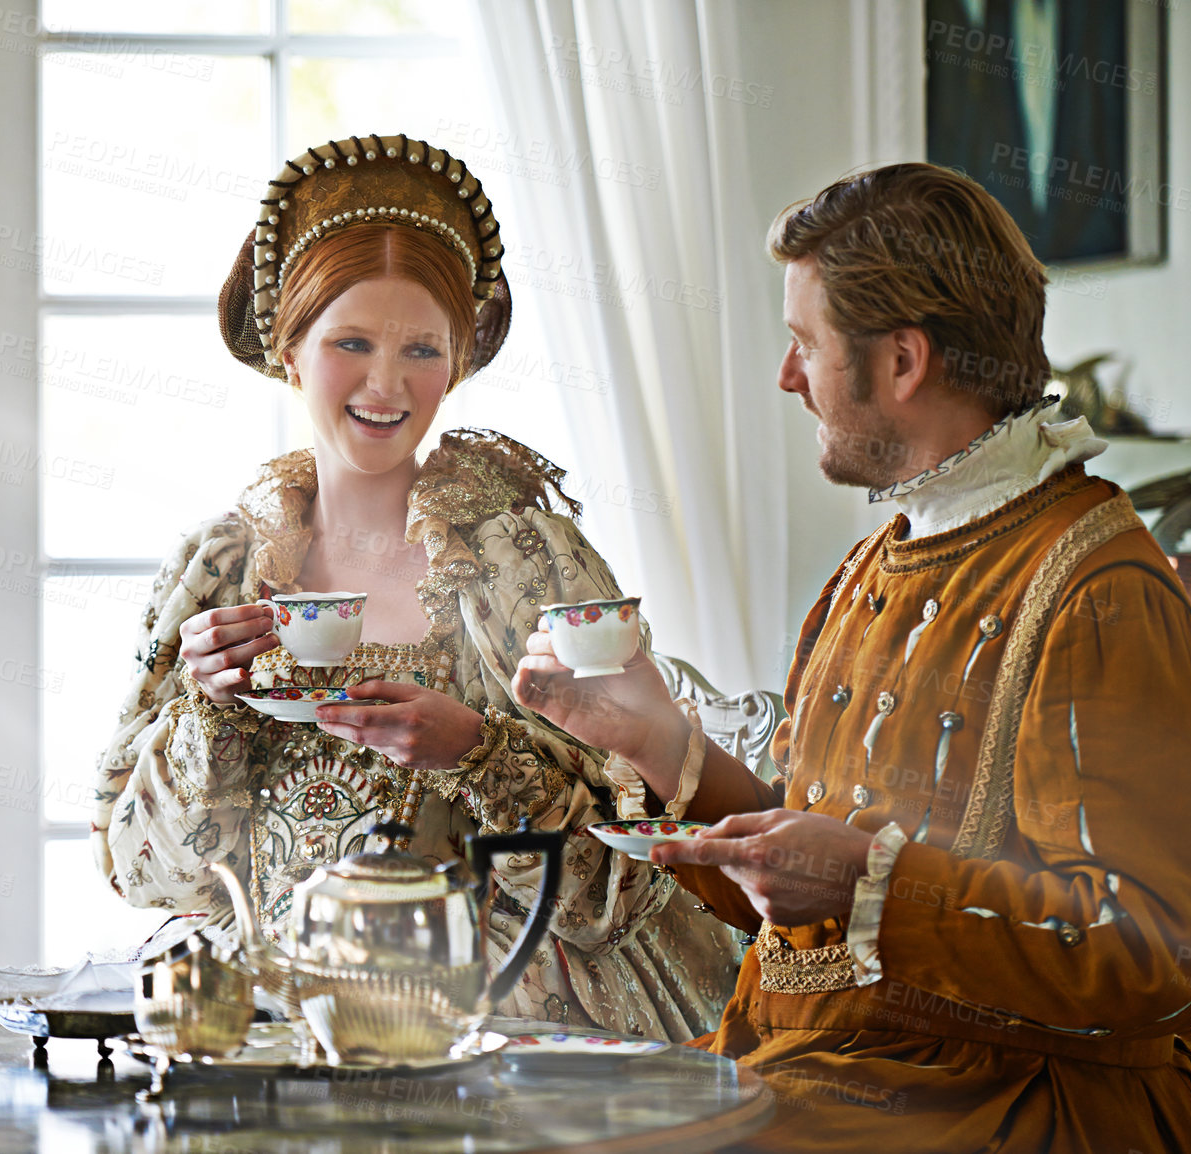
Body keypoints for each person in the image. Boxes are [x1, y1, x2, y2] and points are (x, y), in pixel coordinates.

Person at [512, 163, 1191, 1151]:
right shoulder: (872, 562)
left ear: (900, 362)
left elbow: (1160, 956)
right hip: (820, 1066)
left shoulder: (1098, 590)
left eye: (803, 342)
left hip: (1015, 1101)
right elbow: (799, 912)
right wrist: (643, 733)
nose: (785, 374)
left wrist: (868, 883)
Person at [88, 134, 736, 1040]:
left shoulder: (529, 562)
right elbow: (146, 877)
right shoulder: (220, 570)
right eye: (351, 342)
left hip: (500, 1019)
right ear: (289, 350)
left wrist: (480, 755)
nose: (386, 385)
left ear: (459, 363)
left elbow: (623, 891)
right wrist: (209, 709)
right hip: (269, 1018)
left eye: (422, 350)